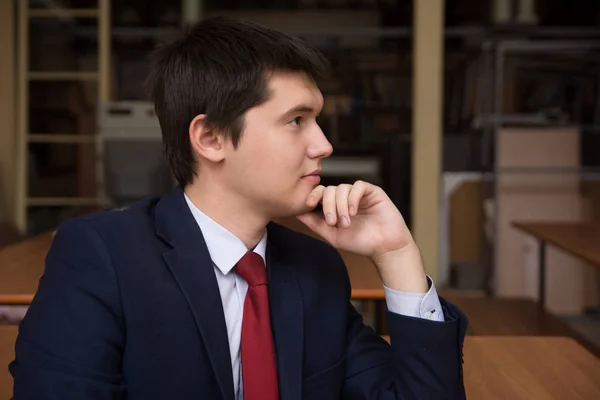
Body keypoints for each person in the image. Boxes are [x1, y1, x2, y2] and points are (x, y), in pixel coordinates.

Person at [10, 16, 467, 400]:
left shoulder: (314, 269)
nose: (323, 145)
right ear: (210, 138)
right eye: (296, 121)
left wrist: (396, 253)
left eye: (318, 120)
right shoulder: (102, 256)